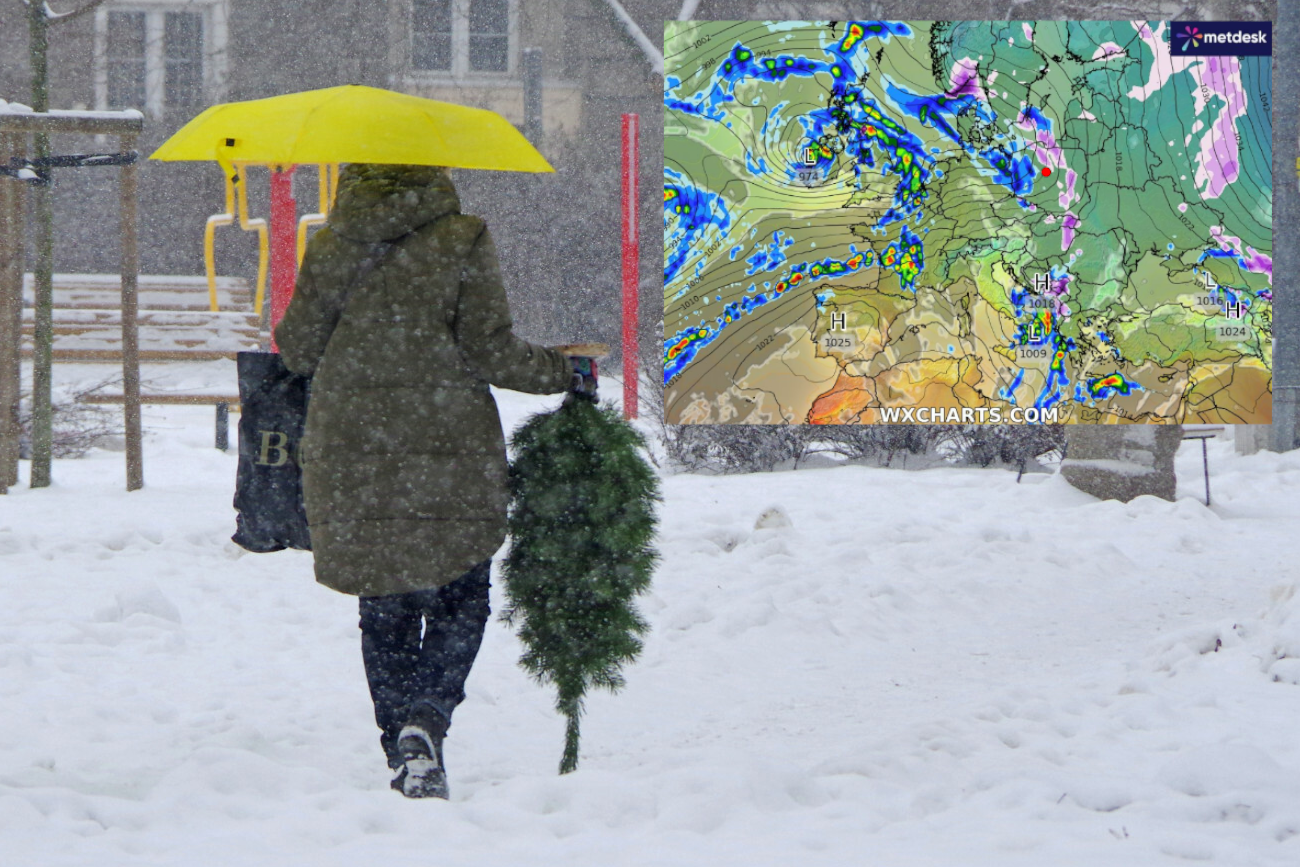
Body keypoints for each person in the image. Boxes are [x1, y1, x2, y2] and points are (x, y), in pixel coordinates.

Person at [274, 163, 595, 799]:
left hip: (354, 447)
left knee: (384, 604)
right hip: (448, 443)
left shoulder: (332, 244)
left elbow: (298, 351)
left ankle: (403, 748)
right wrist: (564, 372)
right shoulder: (462, 238)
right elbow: (489, 349)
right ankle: (427, 718)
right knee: (461, 595)